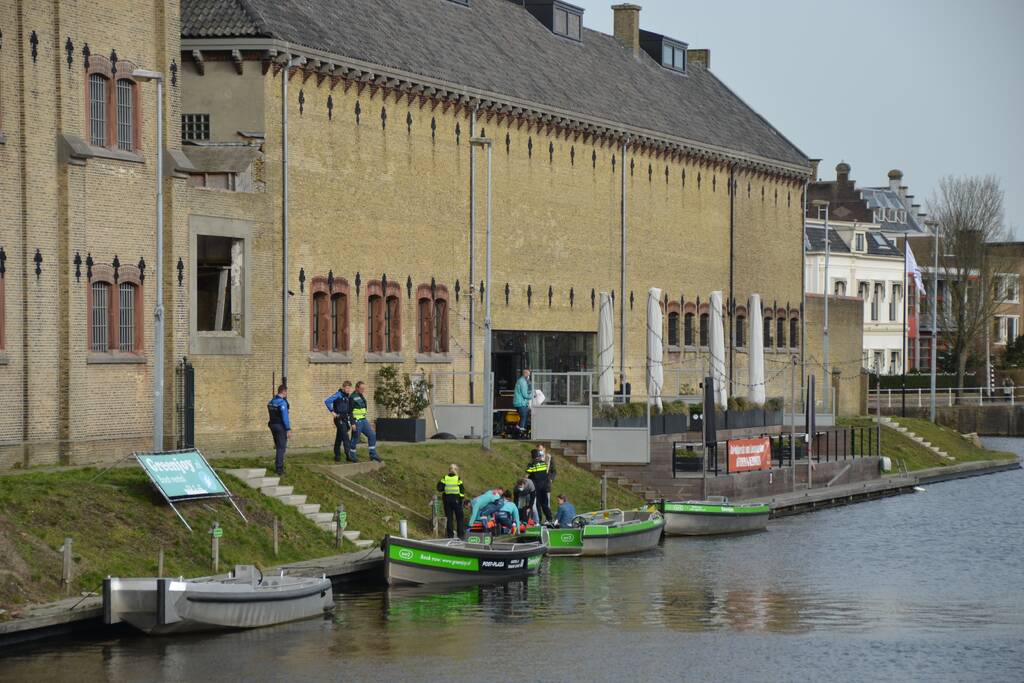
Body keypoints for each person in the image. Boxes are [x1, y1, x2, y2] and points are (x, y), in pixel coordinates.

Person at [348, 381, 381, 462]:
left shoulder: (361, 395)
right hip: (357, 421)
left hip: (363, 420)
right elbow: (350, 412)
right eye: (361, 388)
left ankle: (373, 454)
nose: (363, 390)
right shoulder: (352, 397)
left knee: (372, 435)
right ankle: (352, 455)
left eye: (364, 388)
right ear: (356, 388)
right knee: (355, 438)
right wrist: (352, 423)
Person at [323, 381, 355, 463]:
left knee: (339, 437)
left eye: (349, 388)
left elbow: (348, 410)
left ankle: (337, 456)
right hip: (338, 419)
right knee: (345, 436)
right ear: (343, 387)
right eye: (347, 388)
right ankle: (348, 455)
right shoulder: (338, 395)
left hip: (344, 419)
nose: (348, 390)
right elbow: (327, 401)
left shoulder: (347, 397)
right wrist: (332, 412)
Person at [267, 384, 291, 476]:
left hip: (272, 425)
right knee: (281, 447)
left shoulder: (271, 402)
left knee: (278, 447)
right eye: (286, 392)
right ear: (284, 391)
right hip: (280, 426)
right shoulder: (282, 403)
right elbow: (285, 417)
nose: (286, 393)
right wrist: (288, 429)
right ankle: (279, 469)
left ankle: (279, 462)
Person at [436, 464, 465, 539]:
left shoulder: (445, 478)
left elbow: (439, 488)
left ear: (449, 470)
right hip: (456, 500)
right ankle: (461, 535)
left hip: (447, 501)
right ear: (456, 470)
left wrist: (444, 486)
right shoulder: (458, 478)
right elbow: (462, 490)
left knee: (449, 518)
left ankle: (450, 535)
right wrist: (461, 499)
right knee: (460, 517)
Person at [526, 448, 554, 523]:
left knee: (538, 504)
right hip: (545, 486)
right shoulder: (543, 463)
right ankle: (549, 519)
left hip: (537, 486)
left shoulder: (531, 464)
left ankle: (539, 521)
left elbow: (527, 474)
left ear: (532, 456)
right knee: (545, 504)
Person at [512, 368, 532, 435]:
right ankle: (520, 433)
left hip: (519, 403)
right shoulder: (523, 382)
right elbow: (525, 395)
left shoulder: (520, 380)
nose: (529, 376)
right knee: (523, 417)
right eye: (528, 374)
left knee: (523, 417)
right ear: (525, 373)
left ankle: (517, 430)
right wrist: (533, 395)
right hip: (521, 403)